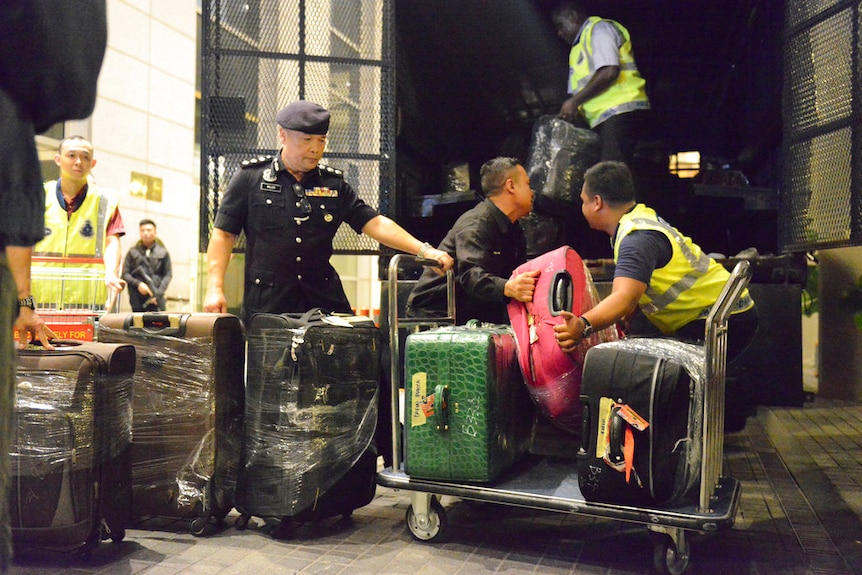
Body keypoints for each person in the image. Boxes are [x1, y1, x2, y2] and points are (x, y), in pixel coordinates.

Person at [0, 1, 107, 570]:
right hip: (36, 309)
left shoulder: (105, 201)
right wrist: (24, 300)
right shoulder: (9, 127)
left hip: (78, 318)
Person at [203, 99, 453, 322]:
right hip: (270, 303)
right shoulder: (250, 178)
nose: (315, 148)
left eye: (321, 140)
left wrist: (424, 250)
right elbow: (224, 234)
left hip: (323, 299)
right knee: (272, 372)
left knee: (347, 365)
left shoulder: (332, 184)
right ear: (282, 136)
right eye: (306, 140)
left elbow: (373, 222)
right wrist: (215, 287)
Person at [553, 161, 759, 427]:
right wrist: (632, 310)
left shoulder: (636, 238)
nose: (581, 208)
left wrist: (582, 325)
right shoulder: (638, 218)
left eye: (582, 201)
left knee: (667, 386)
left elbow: (623, 298)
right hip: (720, 313)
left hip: (722, 319)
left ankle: (681, 451)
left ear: (597, 202)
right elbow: (645, 286)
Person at [406, 157, 539, 325]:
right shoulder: (477, 223)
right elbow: (470, 275)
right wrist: (508, 287)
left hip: (474, 319)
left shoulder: (515, 230)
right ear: (511, 186)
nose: (532, 192)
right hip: (436, 317)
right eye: (527, 184)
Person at [551, 1, 651, 167]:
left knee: (608, 173)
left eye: (561, 26)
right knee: (605, 172)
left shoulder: (599, 30)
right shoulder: (578, 48)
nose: (560, 33)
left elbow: (609, 71)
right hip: (603, 118)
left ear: (574, 17)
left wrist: (574, 102)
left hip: (619, 109)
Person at [32, 136, 126, 312]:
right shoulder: (38, 196)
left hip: (87, 303)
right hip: (39, 302)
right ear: (58, 160)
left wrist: (111, 274)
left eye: (85, 157)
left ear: (93, 163)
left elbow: (112, 243)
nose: (78, 162)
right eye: (71, 155)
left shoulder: (105, 201)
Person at [122, 219, 173, 312]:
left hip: (157, 296)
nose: (145, 233)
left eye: (149, 230)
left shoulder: (163, 252)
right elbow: (125, 274)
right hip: (137, 298)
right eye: (142, 230)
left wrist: (158, 293)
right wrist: (138, 284)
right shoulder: (133, 252)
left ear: (155, 232)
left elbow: (168, 274)